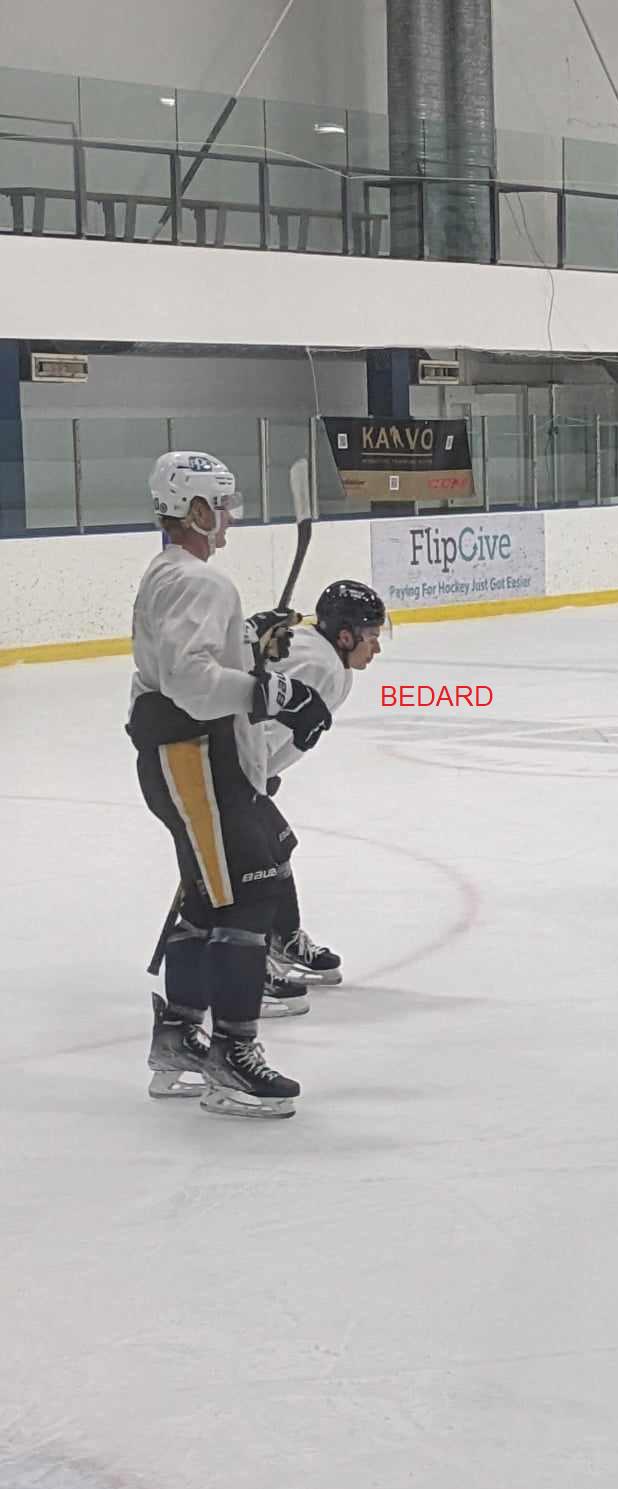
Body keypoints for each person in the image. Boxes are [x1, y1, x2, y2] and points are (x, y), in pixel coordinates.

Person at [129, 450, 331, 1118]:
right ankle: (232, 1056)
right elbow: (190, 682)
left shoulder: (172, 572)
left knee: (207, 897)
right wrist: (273, 690)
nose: (230, 517)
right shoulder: (200, 581)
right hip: (194, 756)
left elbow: (189, 660)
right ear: (193, 510)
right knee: (252, 892)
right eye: (221, 505)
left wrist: (247, 641)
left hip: (191, 756)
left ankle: (178, 1038)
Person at [263, 580, 388, 990]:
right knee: (252, 860)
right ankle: (246, 960)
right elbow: (261, 729)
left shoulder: (323, 656)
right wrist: (254, 772)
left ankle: (281, 939)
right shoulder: (320, 666)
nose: (376, 646)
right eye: (371, 635)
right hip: (222, 766)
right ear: (346, 636)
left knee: (277, 845)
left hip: (238, 766)